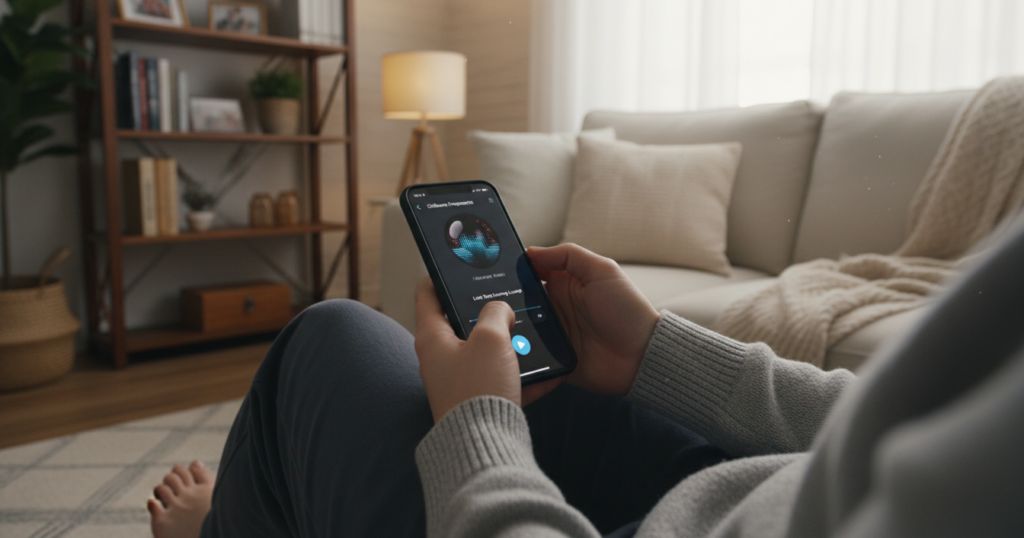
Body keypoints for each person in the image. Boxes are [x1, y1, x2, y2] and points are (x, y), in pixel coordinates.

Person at [148, 219, 1024, 537]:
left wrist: (477, 430)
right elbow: (901, 419)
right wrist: (657, 353)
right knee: (553, 378)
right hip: (754, 487)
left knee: (332, 335)